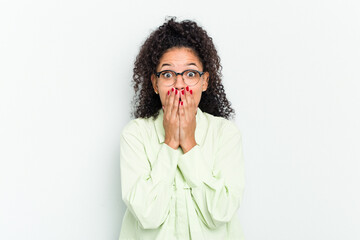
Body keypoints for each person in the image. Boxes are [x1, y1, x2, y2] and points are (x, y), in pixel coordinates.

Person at [119, 17, 245, 240]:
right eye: (167, 74)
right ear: (155, 84)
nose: (179, 84)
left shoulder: (225, 134)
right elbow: (147, 215)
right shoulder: (135, 135)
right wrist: (169, 143)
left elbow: (222, 211)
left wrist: (189, 143)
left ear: (205, 81)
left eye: (190, 74)